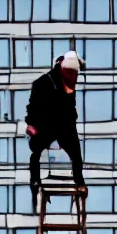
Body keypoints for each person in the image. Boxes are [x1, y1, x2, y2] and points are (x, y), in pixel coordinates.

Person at [25, 50, 87, 210]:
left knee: (75, 151)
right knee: (36, 151)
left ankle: (80, 182)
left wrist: (72, 122)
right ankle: (35, 181)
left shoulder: (69, 79)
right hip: (45, 124)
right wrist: (31, 124)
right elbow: (32, 107)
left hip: (63, 125)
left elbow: (70, 107)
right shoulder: (43, 83)